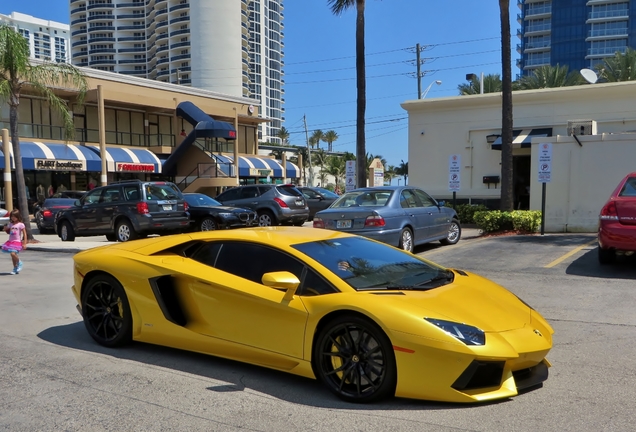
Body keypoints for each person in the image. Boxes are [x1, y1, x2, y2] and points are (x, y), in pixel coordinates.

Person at [2, 209, 27, 275]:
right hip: (10, 241)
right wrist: (5, 229)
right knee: (13, 256)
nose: (13, 218)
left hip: (17, 242)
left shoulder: (20, 224)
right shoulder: (11, 224)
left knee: (12, 254)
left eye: (14, 216)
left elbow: (24, 234)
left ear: (18, 216)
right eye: (12, 216)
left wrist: (24, 243)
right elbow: (9, 232)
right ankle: (15, 268)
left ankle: (19, 262)